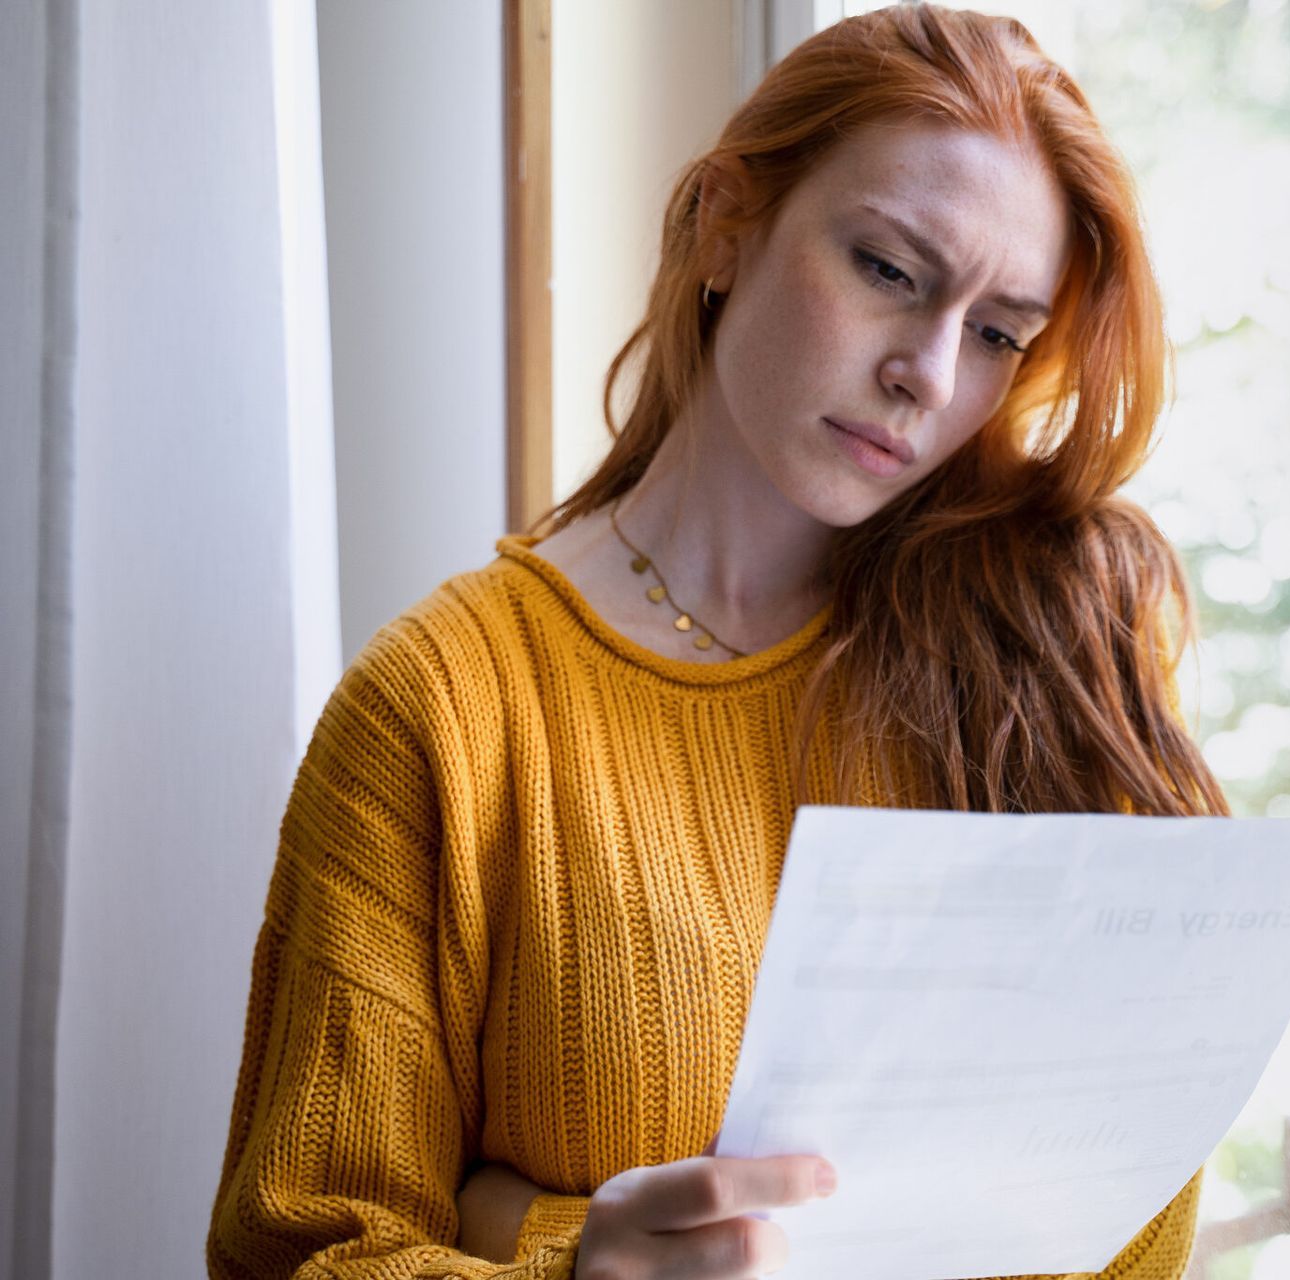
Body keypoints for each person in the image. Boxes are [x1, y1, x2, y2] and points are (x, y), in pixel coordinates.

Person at [206, 3, 1228, 1277]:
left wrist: (522, 1217)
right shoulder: (445, 710)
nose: (927, 369)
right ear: (727, 224)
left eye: (997, 332)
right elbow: (302, 1250)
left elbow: (1127, 1203)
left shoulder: (1048, 655)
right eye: (890, 270)